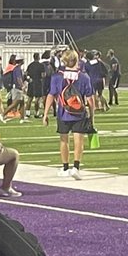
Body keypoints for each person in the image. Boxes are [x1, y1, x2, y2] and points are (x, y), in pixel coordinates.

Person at [43, 49, 95, 180]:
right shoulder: (84, 77)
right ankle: (76, 167)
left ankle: (65, 167)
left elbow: (51, 95)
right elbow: (90, 99)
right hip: (79, 113)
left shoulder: (57, 77)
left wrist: (45, 114)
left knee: (64, 140)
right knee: (79, 141)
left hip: (63, 112)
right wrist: (92, 115)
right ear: (77, 60)